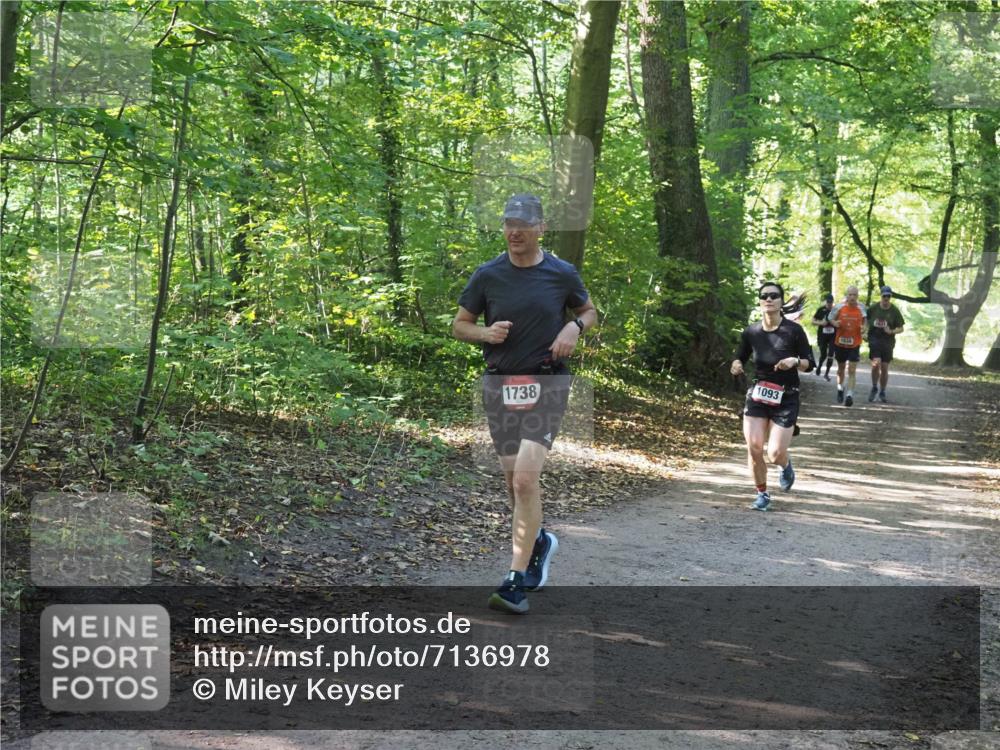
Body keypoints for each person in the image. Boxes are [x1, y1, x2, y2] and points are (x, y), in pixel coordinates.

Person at [452, 193, 597, 614]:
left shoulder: (561, 273)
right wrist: (484, 334)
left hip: (547, 383)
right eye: (507, 222)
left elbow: (589, 311)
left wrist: (573, 327)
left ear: (541, 228)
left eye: (522, 222)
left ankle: (514, 580)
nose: (513, 230)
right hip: (500, 385)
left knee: (524, 481)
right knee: (513, 481)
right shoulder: (487, 275)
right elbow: (460, 324)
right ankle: (540, 541)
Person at [731, 282, 816, 512]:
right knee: (754, 447)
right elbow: (739, 356)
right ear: (760, 301)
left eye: (774, 296)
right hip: (758, 394)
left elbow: (810, 364)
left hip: (786, 397)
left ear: (780, 302)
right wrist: (737, 364)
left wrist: (795, 361)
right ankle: (762, 494)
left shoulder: (793, 331)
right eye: (764, 296)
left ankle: (785, 465)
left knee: (775, 452)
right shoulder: (752, 331)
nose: (769, 299)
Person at [828, 285, 867, 407]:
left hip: (854, 343)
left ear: (857, 296)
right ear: (847, 295)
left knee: (852, 370)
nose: (852, 297)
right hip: (840, 342)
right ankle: (840, 389)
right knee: (841, 369)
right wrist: (835, 323)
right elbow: (830, 318)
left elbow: (865, 321)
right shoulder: (839, 307)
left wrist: (864, 328)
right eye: (850, 295)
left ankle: (849, 395)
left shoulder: (861, 308)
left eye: (854, 295)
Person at [867, 285, 905, 403]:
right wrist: (863, 332)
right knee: (875, 364)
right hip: (874, 338)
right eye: (884, 296)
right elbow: (864, 321)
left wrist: (892, 331)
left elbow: (901, 328)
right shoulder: (873, 308)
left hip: (888, 341)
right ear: (881, 296)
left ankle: (882, 391)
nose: (886, 298)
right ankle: (874, 387)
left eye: (888, 296)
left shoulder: (894, 310)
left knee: (884, 367)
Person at [811, 293, 836, 381]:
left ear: (833, 302)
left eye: (831, 302)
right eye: (828, 302)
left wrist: (835, 323)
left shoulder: (836, 310)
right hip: (823, 336)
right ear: (826, 302)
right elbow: (813, 321)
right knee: (823, 354)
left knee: (831, 354)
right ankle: (819, 366)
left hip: (833, 335)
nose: (829, 304)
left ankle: (827, 373)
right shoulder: (821, 310)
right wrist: (821, 323)